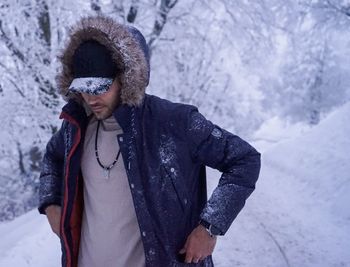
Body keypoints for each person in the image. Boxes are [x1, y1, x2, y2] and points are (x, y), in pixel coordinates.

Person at [38, 15, 261, 267]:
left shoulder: (174, 122)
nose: (90, 98)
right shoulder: (75, 126)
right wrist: (51, 204)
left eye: (100, 87)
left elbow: (244, 160)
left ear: (127, 78)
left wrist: (209, 228)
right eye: (83, 88)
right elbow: (53, 159)